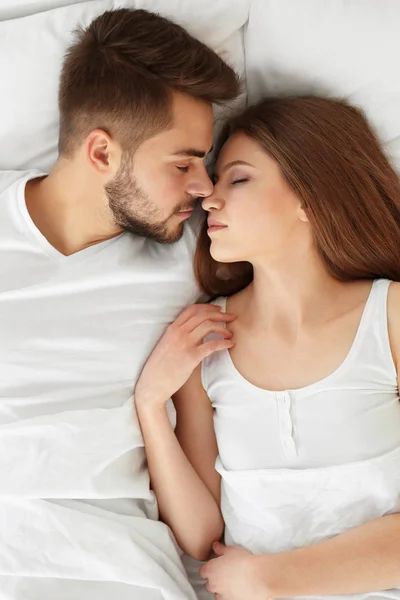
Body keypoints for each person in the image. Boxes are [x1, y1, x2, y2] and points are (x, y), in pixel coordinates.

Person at [0, 8, 239, 600]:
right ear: (102, 152)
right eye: (182, 163)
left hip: (120, 571)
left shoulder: (198, 257)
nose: (204, 188)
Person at [135, 96, 400, 600]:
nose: (209, 199)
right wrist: (151, 406)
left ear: (310, 197)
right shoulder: (204, 340)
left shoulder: (390, 319)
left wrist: (274, 578)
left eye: (237, 179)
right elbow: (202, 534)